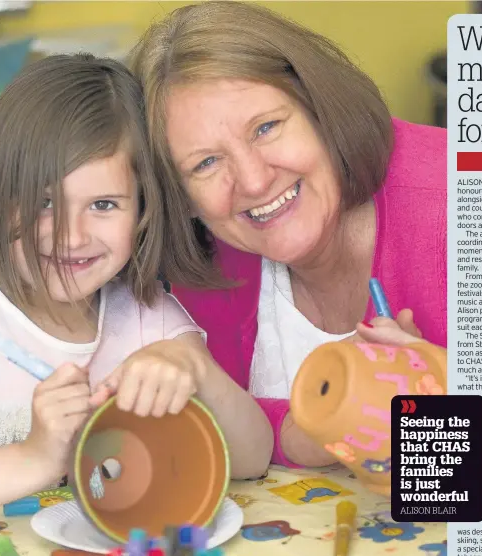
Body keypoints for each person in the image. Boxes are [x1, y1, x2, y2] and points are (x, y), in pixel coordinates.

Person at [0, 54, 273, 529]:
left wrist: (196, 369)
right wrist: (36, 458)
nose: (70, 236)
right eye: (44, 202)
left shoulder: (149, 320)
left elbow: (252, 459)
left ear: (143, 211)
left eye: (103, 204)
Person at [129, 1, 447, 470]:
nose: (254, 181)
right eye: (206, 163)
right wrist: (301, 433)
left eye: (266, 127)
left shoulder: (457, 203)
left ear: (320, 108)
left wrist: (449, 407)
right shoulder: (211, 254)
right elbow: (214, 428)